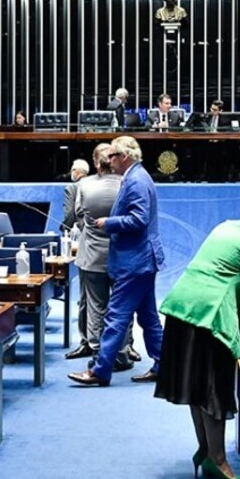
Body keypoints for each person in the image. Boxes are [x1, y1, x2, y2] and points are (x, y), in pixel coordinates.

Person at [155, 189, 240, 479]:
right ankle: (219, 460)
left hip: (182, 306)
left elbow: (229, 274)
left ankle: (205, 450)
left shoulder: (226, 226)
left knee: (196, 388)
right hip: (212, 317)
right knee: (214, 390)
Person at [68, 136, 165, 386]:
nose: (108, 160)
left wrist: (108, 223)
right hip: (142, 259)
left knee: (115, 316)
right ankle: (165, 365)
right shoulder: (137, 177)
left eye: (112, 155)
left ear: (124, 156)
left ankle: (99, 371)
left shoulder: (134, 181)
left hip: (134, 261)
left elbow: (139, 219)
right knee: (148, 317)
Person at [66, 144, 131, 370]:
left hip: (92, 254)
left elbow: (78, 217)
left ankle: (98, 353)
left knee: (96, 308)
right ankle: (122, 353)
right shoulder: (126, 184)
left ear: (96, 164)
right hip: (122, 255)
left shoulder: (83, 185)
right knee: (121, 308)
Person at [60, 159, 89, 232]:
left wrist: (64, 227)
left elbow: (70, 213)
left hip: (79, 231)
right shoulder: (94, 185)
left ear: (75, 171)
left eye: (71, 171)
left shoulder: (71, 188)